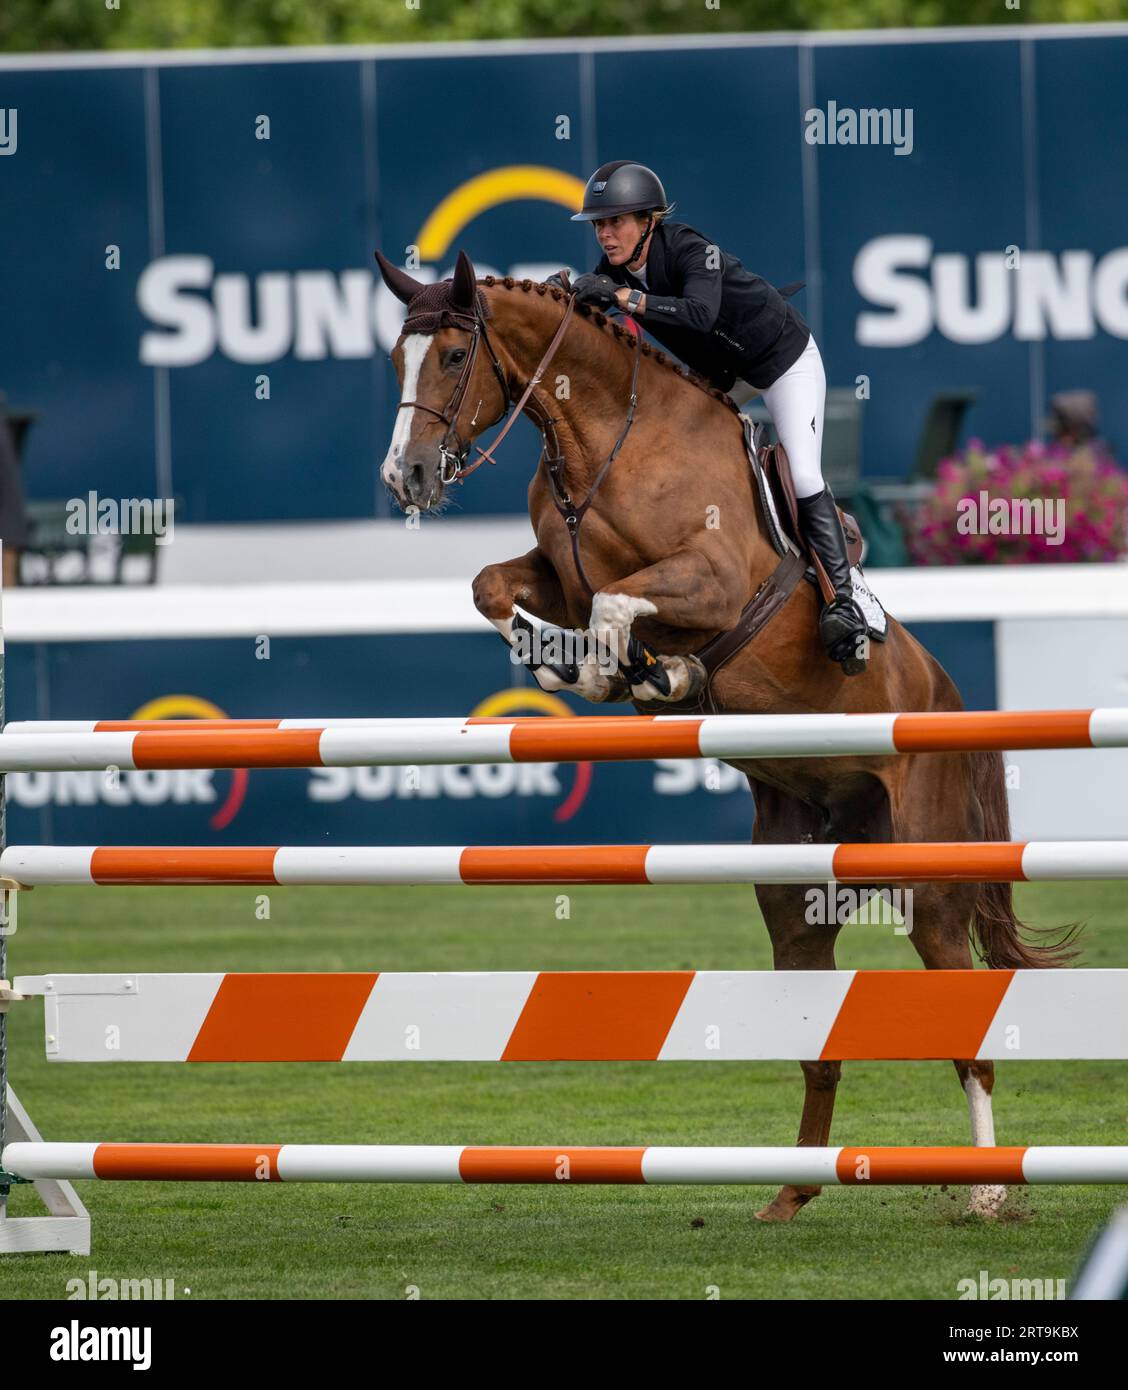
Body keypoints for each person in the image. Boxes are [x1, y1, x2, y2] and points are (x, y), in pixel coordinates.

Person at [554, 160, 868, 673]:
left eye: (616, 222)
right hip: (726, 375)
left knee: (805, 472)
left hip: (782, 362)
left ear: (649, 221)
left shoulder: (692, 251)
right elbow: (599, 305)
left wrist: (620, 296)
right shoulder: (617, 269)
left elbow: (698, 314)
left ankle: (843, 602)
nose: (605, 234)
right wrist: (564, 295)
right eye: (599, 225)